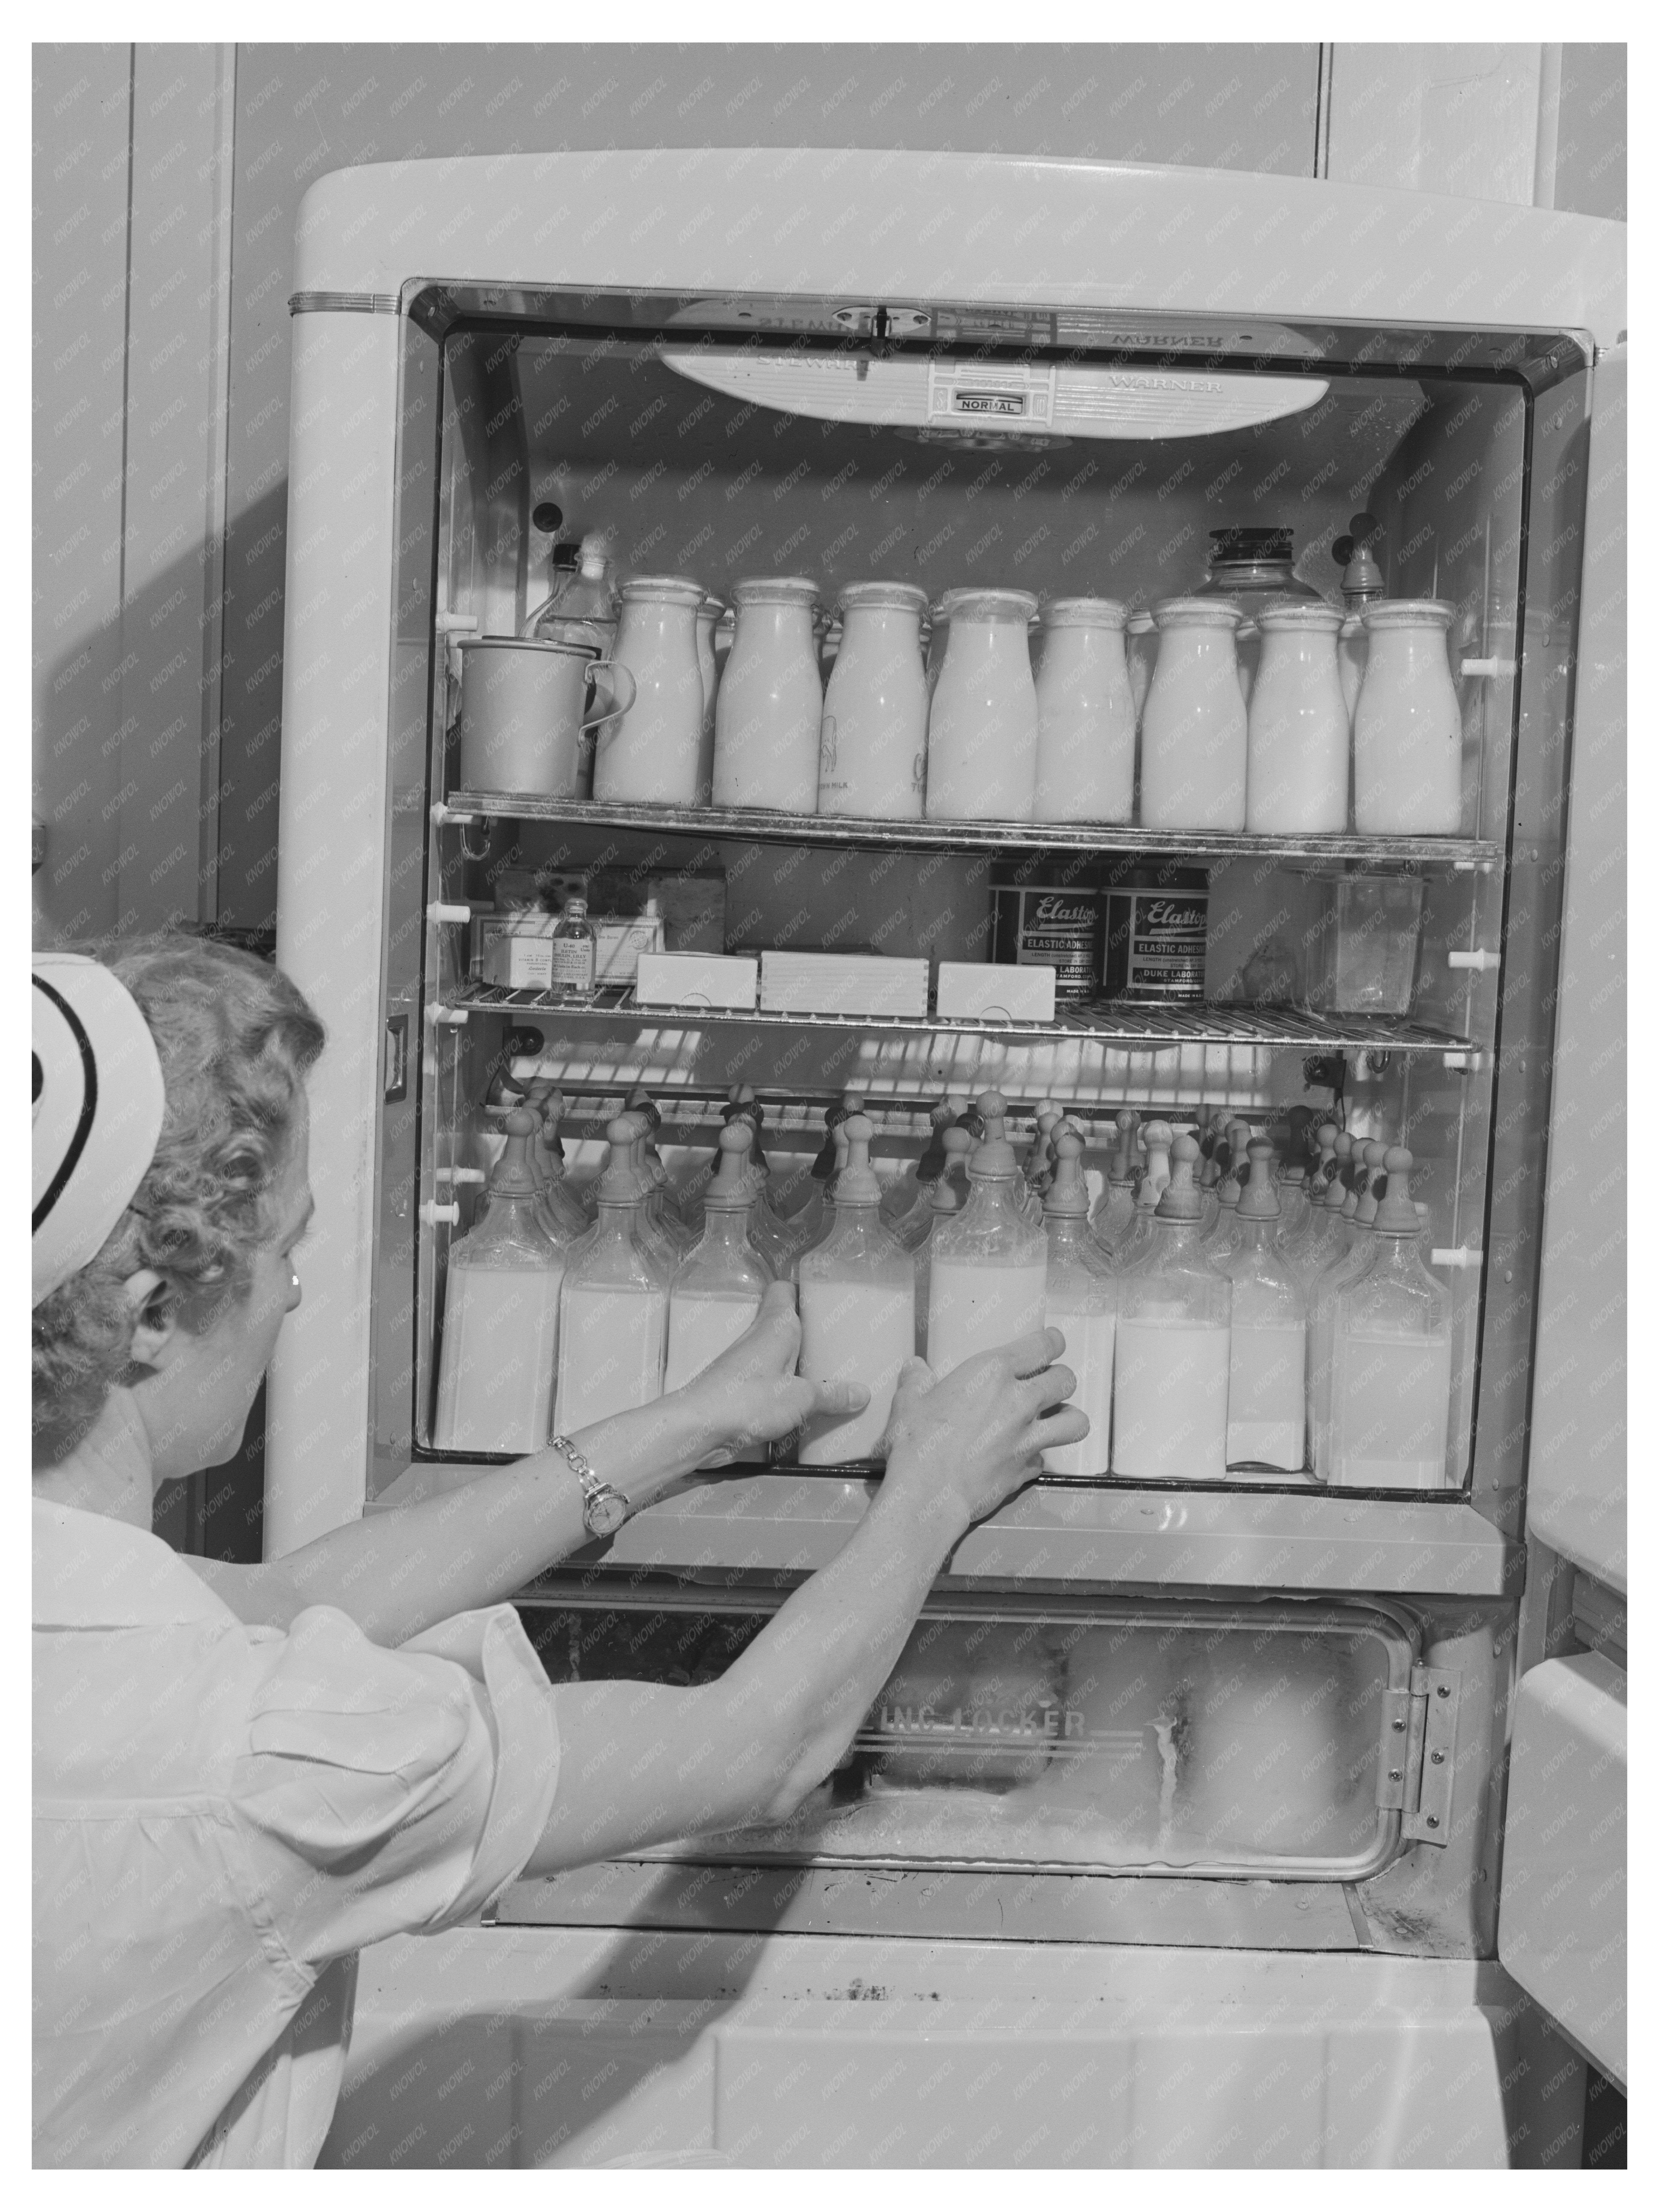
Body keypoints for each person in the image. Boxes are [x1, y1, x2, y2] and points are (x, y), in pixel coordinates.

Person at [33, 936, 1085, 2166]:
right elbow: (763, 1746)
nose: (296, 1298)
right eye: (285, 1253)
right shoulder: (266, 1758)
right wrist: (933, 1492)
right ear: (154, 1314)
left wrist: (680, 1431)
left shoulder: (90, 1611)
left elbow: (284, 1598)